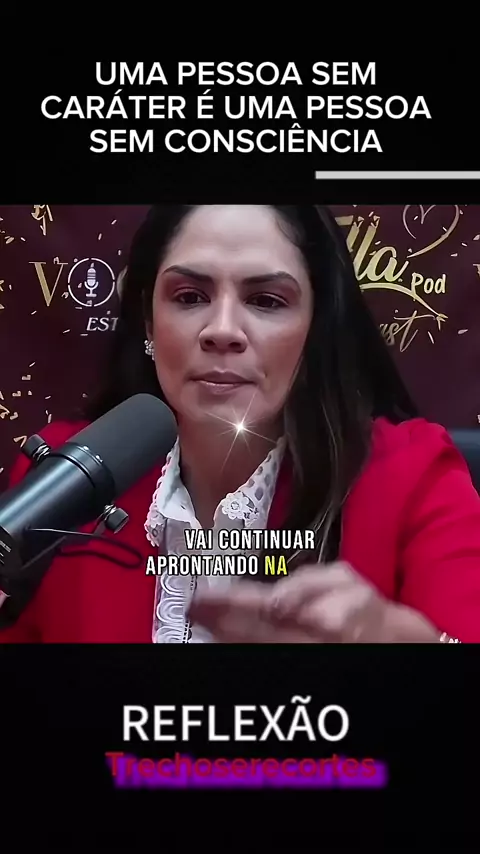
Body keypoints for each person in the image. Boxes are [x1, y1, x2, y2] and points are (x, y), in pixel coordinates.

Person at [1, 204, 479, 643]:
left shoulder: (412, 477)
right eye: (190, 297)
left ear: (314, 329)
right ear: (148, 321)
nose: (223, 330)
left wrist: (392, 640)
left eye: (266, 300)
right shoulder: (64, 476)